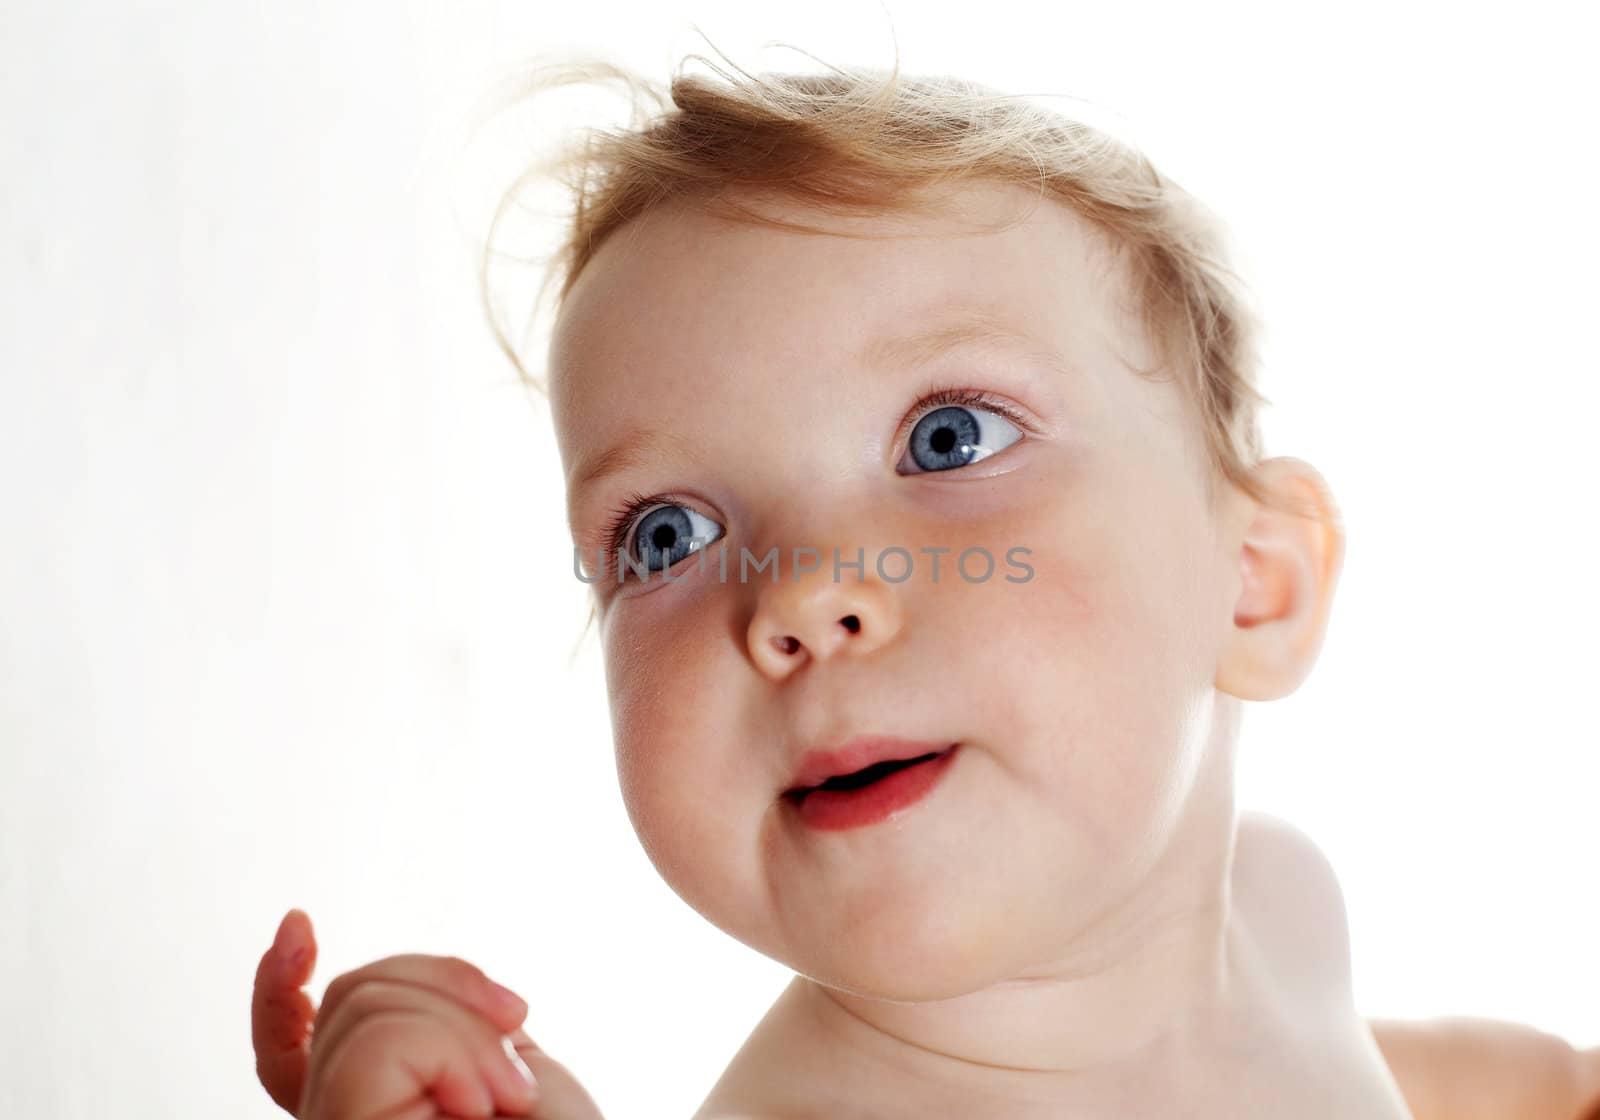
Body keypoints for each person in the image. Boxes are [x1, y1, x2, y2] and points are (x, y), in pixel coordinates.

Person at [252, 44, 1600, 1119]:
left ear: (1253, 586)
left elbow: (1390, 1081)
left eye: (947, 439)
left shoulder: (1281, 906)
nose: (796, 594)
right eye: (664, 534)